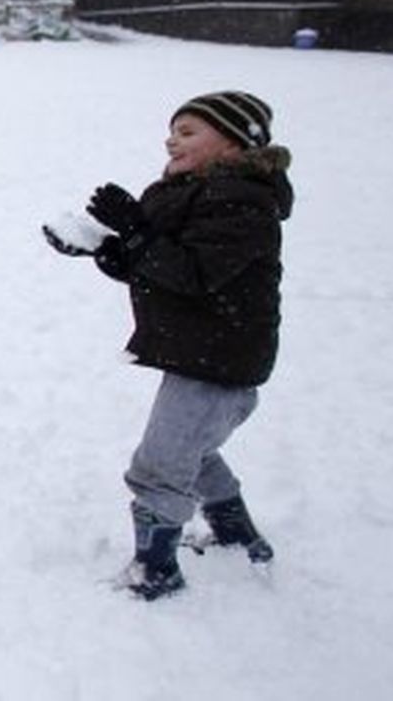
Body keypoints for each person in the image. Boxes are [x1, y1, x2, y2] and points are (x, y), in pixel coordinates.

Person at [44, 91, 292, 601]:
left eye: (188, 132)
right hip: (206, 355)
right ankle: (237, 534)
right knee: (194, 453)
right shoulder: (198, 194)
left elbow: (194, 274)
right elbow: (162, 268)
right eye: (172, 131)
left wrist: (134, 232)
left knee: (160, 465)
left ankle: (155, 570)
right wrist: (106, 247)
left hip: (219, 362)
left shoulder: (242, 202)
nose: (171, 141)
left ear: (234, 143)